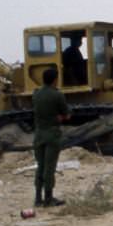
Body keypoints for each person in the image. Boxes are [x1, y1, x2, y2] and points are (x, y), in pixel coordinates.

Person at [33, 67, 71, 207]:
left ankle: (38, 198)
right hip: (52, 135)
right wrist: (60, 117)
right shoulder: (57, 95)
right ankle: (48, 198)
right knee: (49, 167)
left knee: (40, 166)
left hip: (39, 134)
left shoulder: (36, 94)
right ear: (55, 79)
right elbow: (66, 114)